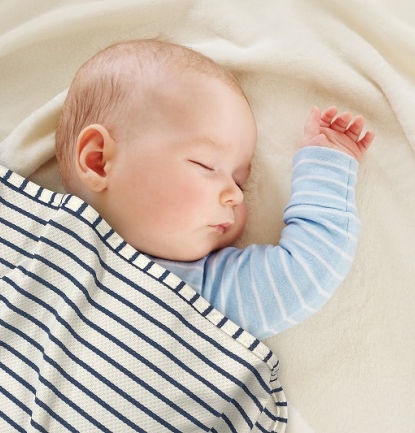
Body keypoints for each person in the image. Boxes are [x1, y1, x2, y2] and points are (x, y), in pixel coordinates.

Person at [55, 39, 375, 339]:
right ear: (98, 160)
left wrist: (326, 167)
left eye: (240, 181)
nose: (235, 195)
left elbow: (303, 274)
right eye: (206, 165)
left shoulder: (202, 290)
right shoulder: (28, 227)